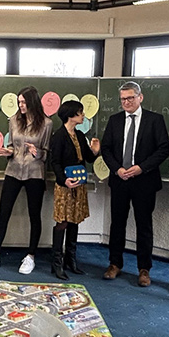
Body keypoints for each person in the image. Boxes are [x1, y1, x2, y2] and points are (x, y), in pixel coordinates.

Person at [100, 81, 169, 287]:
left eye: (130, 98)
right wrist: (117, 169)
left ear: (140, 97)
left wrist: (142, 167)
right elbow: (106, 149)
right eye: (123, 99)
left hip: (144, 181)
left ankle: (144, 269)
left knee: (144, 226)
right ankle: (115, 264)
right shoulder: (114, 120)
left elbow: (163, 149)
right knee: (117, 224)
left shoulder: (154, 120)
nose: (126, 102)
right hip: (120, 180)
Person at [0, 86, 52, 275]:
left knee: (34, 215)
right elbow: (13, 146)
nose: (20, 105)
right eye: (19, 101)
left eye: (23, 102)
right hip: (13, 170)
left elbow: (46, 153)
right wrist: (8, 151)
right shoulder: (14, 120)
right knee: (3, 212)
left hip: (34, 172)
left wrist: (38, 153)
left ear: (32, 102)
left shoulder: (46, 123)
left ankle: (30, 257)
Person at [48, 100, 100, 280]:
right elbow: (54, 162)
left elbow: (87, 158)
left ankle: (71, 260)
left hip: (79, 184)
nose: (83, 115)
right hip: (65, 185)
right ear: (70, 115)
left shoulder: (79, 134)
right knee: (63, 221)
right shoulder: (59, 136)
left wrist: (94, 151)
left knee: (75, 220)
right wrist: (64, 181)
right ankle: (56, 263)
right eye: (80, 112)